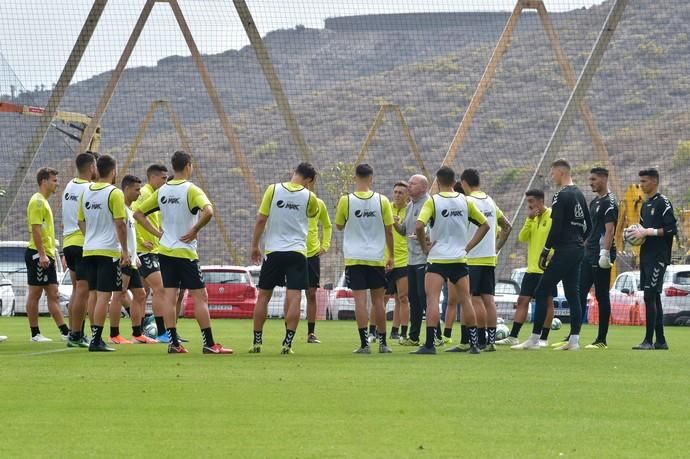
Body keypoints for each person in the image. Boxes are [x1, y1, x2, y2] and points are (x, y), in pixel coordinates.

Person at [134, 150, 232, 354]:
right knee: (200, 297)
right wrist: (195, 230)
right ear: (188, 166)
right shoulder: (191, 190)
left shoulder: (162, 191)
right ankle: (209, 344)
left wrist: (158, 233)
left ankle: (173, 344)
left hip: (165, 252)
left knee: (170, 297)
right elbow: (209, 211)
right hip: (185, 252)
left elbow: (138, 213)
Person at [512, 159, 591, 351]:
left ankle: (534, 339)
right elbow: (588, 224)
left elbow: (556, 226)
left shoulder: (560, 195)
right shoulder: (580, 194)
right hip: (578, 249)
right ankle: (574, 340)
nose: (552, 176)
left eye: (553, 173)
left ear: (561, 172)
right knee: (573, 294)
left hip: (564, 250)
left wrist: (547, 250)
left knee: (541, 290)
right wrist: (580, 241)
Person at [412, 166, 489, 355]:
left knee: (432, 300)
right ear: (455, 182)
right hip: (459, 258)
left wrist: (424, 247)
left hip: (438, 258)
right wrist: (468, 247)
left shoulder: (433, 201)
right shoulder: (465, 201)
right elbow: (485, 225)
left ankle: (430, 345)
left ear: (437, 182)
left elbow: (419, 225)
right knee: (466, 301)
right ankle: (473, 345)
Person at [249, 163, 319, 354]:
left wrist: (255, 245)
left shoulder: (273, 190)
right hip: (297, 252)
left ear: (293, 173)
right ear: (310, 180)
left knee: (263, 296)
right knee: (295, 296)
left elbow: (261, 220)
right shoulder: (311, 197)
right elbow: (312, 213)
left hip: (273, 252)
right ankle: (287, 344)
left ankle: (257, 342)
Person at [335, 163, 395, 354]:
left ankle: (364, 345)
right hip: (376, 257)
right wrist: (391, 255)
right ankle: (384, 344)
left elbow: (338, 225)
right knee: (379, 301)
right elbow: (389, 231)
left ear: (355, 178)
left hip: (354, 258)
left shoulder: (346, 200)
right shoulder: (383, 200)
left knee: (359, 301)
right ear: (371, 178)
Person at [78, 155, 130, 352]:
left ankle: (94, 336)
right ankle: (97, 339)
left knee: (92, 295)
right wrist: (124, 250)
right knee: (103, 296)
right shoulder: (114, 193)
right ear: (114, 171)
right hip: (107, 251)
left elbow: (80, 221)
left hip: (89, 249)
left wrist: (90, 237)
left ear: (97, 170)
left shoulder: (86, 191)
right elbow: (120, 224)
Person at [497, 189, 557, 346]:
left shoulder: (552, 215)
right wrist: (529, 219)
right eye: (528, 202)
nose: (529, 205)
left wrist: (552, 255)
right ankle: (513, 336)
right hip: (531, 269)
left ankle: (543, 338)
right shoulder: (532, 218)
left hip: (546, 268)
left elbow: (558, 237)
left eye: (531, 202)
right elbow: (522, 237)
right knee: (522, 300)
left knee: (548, 302)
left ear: (540, 201)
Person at [461, 168, 512, 352]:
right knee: (488, 299)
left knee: (474, 299)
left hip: (472, 257)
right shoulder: (490, 201)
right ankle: (491, 341)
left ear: (464, 183)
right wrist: (496, 248)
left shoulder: (467, 201)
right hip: (489, 258)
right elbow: (507, 226)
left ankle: (480, 339)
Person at [131, 163, 180, 343]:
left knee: (142, 294)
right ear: (153, 178)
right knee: (161, 289)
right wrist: (139, 241)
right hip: (144, 251)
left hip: (153, 251)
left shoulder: (157, 195)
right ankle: (161, 332)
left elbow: (152, 221)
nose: (166, 181)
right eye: (164, 178)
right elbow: (133, 216)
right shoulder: (144, 194)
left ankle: (139, 333)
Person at [630, 169, 677, 350]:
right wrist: (635, 232)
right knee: (653, 296)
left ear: (655, 182)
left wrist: (648, 232)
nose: (641, 185)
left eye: (645, 181)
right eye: (640, 181)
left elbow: (671, 229)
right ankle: (661, 341)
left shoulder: (663, 203)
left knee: (650, 295)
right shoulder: (645, 205)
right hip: (646, 255)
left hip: (659, 256)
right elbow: (642, 229)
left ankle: (648, 341)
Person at [25, 167, 69, 342]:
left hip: (48, 255)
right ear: (44, 181)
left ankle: (65, 332)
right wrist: (42, 255)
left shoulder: (44, 201)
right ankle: (35, 334)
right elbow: (35, 229)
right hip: (38, 254)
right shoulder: (37, 201)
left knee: (54, 293)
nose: (57, 184)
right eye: (54, 180)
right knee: (35, 293)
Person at [577, 167, 618, 349]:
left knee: (602, 295)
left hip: (601, 254)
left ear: (603, 178)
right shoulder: (594, 202)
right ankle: (573, 336)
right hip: (589, 253)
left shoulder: (610, 203)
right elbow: (591, 230)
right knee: (579, 293)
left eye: (593, 179)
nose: (591, 182)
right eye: (590, 179)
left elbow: (610, 230)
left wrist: (605, 253)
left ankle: (602, 340)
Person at [116, 174, 158, 344]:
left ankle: (137, 333)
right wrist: (124, 252)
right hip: (123, 259)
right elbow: (117, 232)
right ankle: (114, 334)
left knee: (140, 294)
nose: (139, 194)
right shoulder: (119, 208)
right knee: (119, 293)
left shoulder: (129, 210)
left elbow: (131, 235)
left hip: (133, 259)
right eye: (136, 190)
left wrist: (135, 255)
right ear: (126, 189)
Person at [64, 152, 98, 347]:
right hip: (82, 241)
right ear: (92, 167)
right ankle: (76, 334)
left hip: (69, 242)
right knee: (84, 290)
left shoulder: (70, 186)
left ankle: (74, 332)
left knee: (77, 290)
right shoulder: (89, 188)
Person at [393, 174, 430, 347]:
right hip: (412, 260)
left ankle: (435, 335)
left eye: (413, 184)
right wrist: (396, 224)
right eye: (409, 183)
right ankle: (413, 337)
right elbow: (404, 231)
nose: (410, 186)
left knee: (424, 298)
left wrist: (423, 237)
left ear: (424, 187)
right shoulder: (410, 206)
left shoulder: (430, 204)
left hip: (425, 259)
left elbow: (432, 231)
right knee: (414, 299)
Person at [302, 177, 332, 344]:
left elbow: (327, 225)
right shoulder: (292, 202)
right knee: (291, 293)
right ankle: (288, 333)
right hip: (294, 252)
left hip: (312, 254)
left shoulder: (319, 203)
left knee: (311, 293)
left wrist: (325, 245)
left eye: (309, 183)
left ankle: (311, 333)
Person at [386, 181, 410, 342]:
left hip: (404, 260)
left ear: (407, 195)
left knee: (402, 298)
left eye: (401, 192)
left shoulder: (411, 211)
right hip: (386, 260)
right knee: (382, 298)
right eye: (395, 192)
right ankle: (373, 332)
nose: (397, 195)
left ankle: (401, 332)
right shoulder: (386, 207)